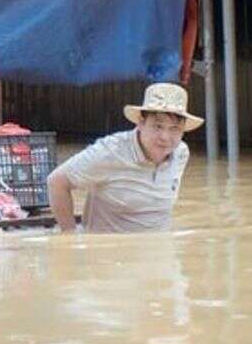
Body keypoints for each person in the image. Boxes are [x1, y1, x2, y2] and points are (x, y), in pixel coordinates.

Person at [47, 82, 203, 234]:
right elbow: (57, 181)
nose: (165, 137)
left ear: (183, 131)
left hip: (159, 251)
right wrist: (69, 235)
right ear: (141, 123)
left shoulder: (181, 153)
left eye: (174, 128)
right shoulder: (110, 151)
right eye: (158, 126)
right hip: (110, 255)